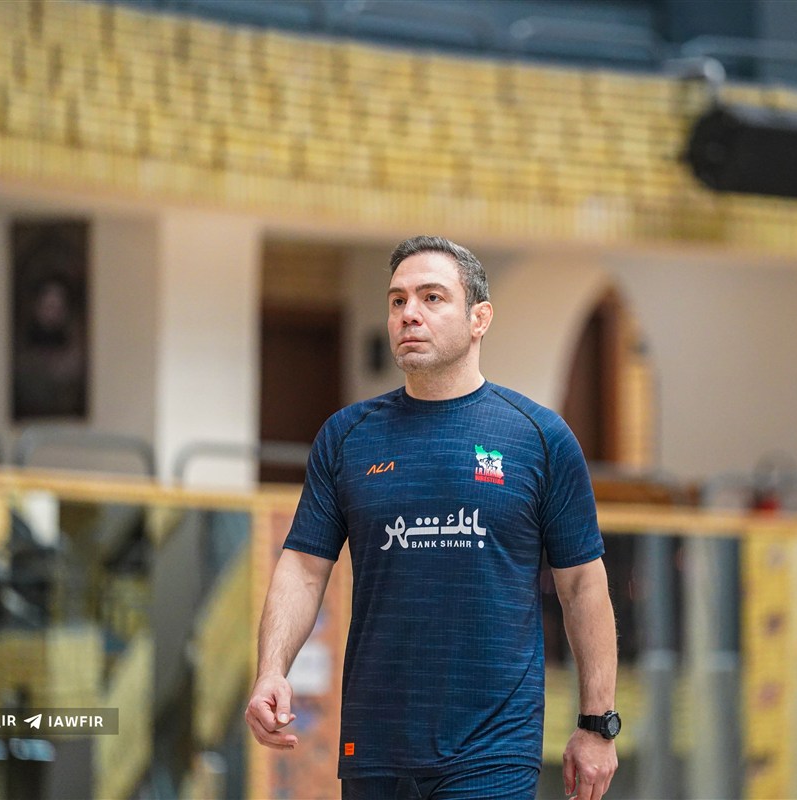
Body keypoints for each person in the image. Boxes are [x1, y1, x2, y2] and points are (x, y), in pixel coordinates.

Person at [246, 235, 620, 800]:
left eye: (432, 297)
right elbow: (302, 568)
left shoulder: (538, 437)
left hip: (494, 750)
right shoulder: (347, 436)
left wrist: (597, 723)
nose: (409, 313)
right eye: (397, 300)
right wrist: (272, 670)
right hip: (375, 744)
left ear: (479, 318)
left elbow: (583, 585)